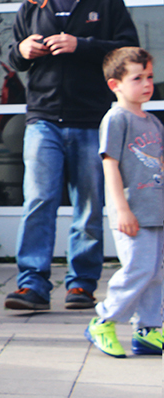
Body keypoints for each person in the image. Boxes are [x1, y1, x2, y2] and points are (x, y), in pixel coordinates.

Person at [3, 0, 140, 311]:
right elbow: (14, 58)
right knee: (38, 201)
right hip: (43, 118)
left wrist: (82, 45)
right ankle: (32, 286)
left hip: (90, 119)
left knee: (88, 205)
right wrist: (22, 50)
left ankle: (81, 285)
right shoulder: (33, 2)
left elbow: (128, 52)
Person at [84, 47, 162, 357]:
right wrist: (122, 209)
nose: (146, 83)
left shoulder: (154, 123)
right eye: (138, 78)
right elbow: (109, 165)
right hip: (132, 212)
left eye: (150, 77)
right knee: (139, 269)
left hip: (156, 210)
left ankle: (147, 329)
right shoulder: (116, 119)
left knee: (156, 272)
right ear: (115, 84)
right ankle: (103, 320)